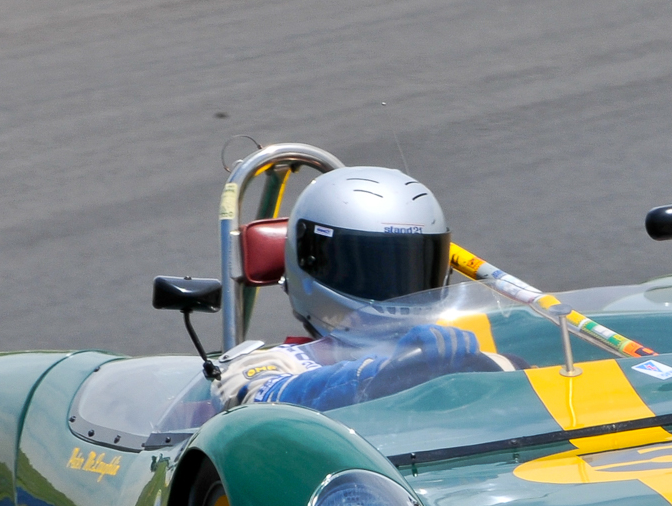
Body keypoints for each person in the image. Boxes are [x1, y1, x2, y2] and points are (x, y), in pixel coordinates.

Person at [214, 166, 518, 412]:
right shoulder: (270, 364)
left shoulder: (454, 353)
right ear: (309, 262)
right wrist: (387, 373)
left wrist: (481, 365)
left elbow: (536, 388)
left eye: (411, 266)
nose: (397, 288)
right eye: (372, 267)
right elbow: (262, 407)